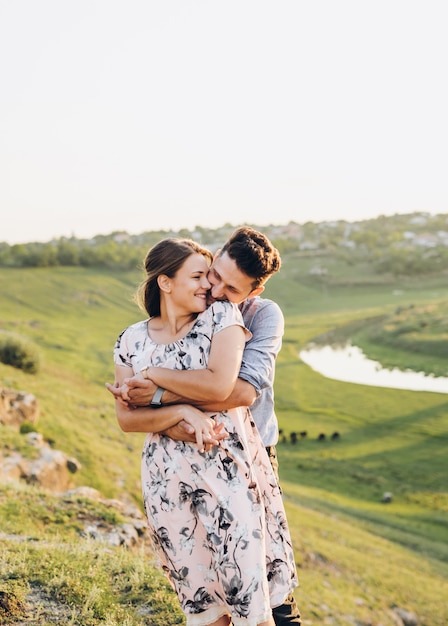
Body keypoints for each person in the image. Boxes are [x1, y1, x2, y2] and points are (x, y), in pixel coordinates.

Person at [107, 227, 302, 626]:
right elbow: (127, 417)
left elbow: (238, 392)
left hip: (247, 451)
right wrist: (182, 415)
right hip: (175, 470)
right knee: (205, 589)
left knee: (264, 589)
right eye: (211, 274)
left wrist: (157, 391)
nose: (213, 288)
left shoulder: (254, 315)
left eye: (229, 287)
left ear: (252, 292)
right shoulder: (138, 335)